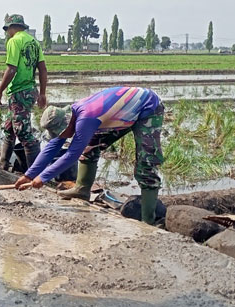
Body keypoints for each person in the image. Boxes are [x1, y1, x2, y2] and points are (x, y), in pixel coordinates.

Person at [14, 86, 165, 225]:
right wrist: (29, 175)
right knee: (90, 147)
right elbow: (53, 146)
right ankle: (82, 190)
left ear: (66, 124)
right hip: (121, 114)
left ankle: (148, 220)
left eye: (61, 132)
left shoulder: (85, 118)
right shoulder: (73, 113)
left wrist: (43, 177)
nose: (61, 136)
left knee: (146, 164)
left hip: (147, 107)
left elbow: (72, 154)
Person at [0, 14, 47, 172]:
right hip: (30, 91)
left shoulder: (14, 41)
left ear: (11, 28)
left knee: (23, 133)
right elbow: (42, 69)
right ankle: (3, 160)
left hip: (19, 91)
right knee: (10, 127)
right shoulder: (33, 42)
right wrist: (42, 93)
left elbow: (11, 69)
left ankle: (34, 172)